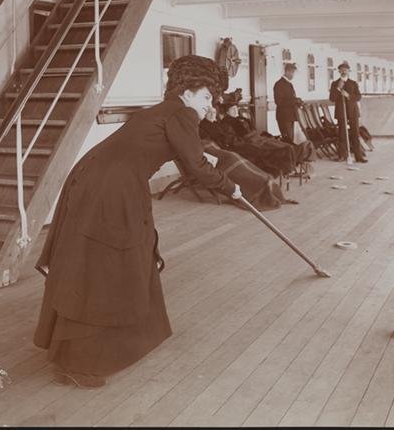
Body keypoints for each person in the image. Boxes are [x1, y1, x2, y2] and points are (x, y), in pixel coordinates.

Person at [33, 55, 242, 388]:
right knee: (106, 266)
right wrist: (231, 187)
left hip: (95, 181)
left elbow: (187, 156)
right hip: (111, 189)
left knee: (107, 261)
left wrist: (205, 161)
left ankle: (96, 349)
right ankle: (79, 361)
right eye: (206, 97)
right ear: (187, 92)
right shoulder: (182, 113)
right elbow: (197, 167)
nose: (209, 105)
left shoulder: (163, 111)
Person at [329, 61, 367, 163]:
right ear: (339, 71)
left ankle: (358, 156)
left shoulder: (353, 83)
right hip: (341, 112)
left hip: (353, 112)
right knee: (342, 134)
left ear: (349, 71)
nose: (344, 71)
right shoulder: (334, 84)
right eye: (342, 70)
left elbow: (358, 96)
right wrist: (338, 88)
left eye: (345, 70)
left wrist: (348, 96)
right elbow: (332, 98)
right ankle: (342, 155)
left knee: (355, 133)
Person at [273, 63, 301, 143]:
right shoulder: (279, 84)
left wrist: (298, 101)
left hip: (290, 116)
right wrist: (295, 101)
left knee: (290, 140)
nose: (293, 75)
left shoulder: (289, 84)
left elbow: (290, 98)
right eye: (292, 72)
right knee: (288, 140)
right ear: (287, 72)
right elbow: (279, 101)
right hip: (284, 117)